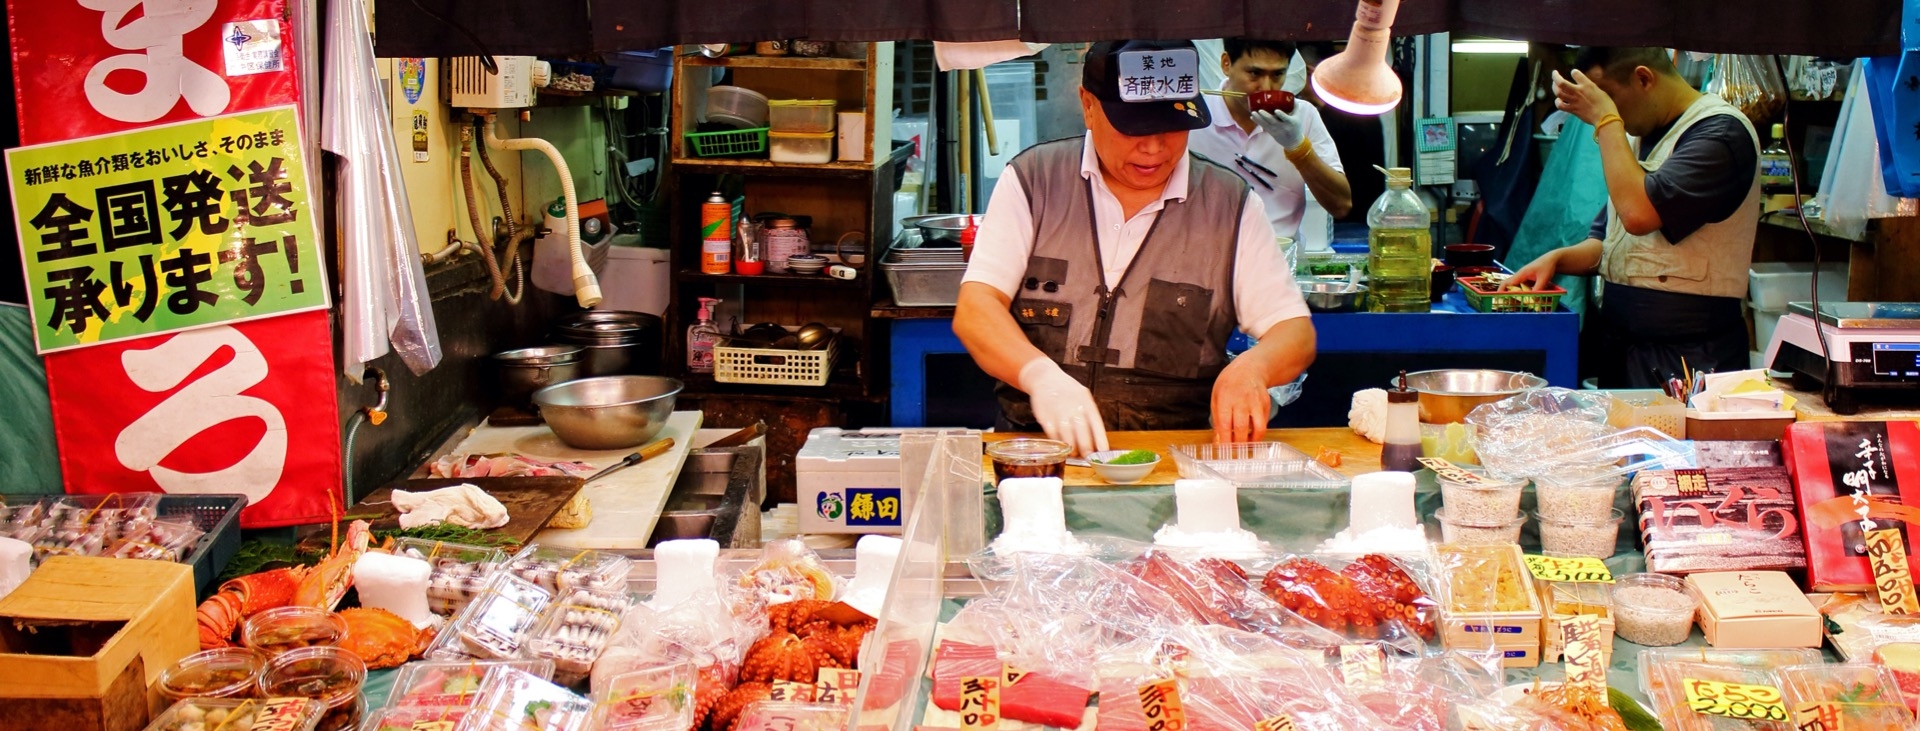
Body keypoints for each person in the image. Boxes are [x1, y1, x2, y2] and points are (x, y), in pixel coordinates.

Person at [954, 39, 1317, 457]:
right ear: (1088, 105)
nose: (1154, 147)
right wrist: (1040, 375)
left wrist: (1253, 368)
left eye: (1172, 125)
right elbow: (977, 308)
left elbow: (1294, 332)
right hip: (1038, 454)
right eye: (1134, 127)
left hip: (1172, 459)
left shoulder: (1229, 202)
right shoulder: (1034, 181)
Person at [1507, 46, 1761, 388]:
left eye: (1609, 100)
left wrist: (1607, 121)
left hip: (1693, 359)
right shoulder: (1640, 139)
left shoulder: (1721, 134)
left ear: (1644, 78)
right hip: (1624, 351)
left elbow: (1638, 215)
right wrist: (1557, 259)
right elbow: (1609, 242)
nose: (1609, 114)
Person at [1188, 38, 1353, 239]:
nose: (1266, 87)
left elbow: (1341, 205)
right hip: (1209, 255)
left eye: (1277, 75)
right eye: (1254, 73)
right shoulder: (1194, 116)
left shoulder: (1303, 115)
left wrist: (1297, 147)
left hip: (1281, 253)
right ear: (1226, 64)